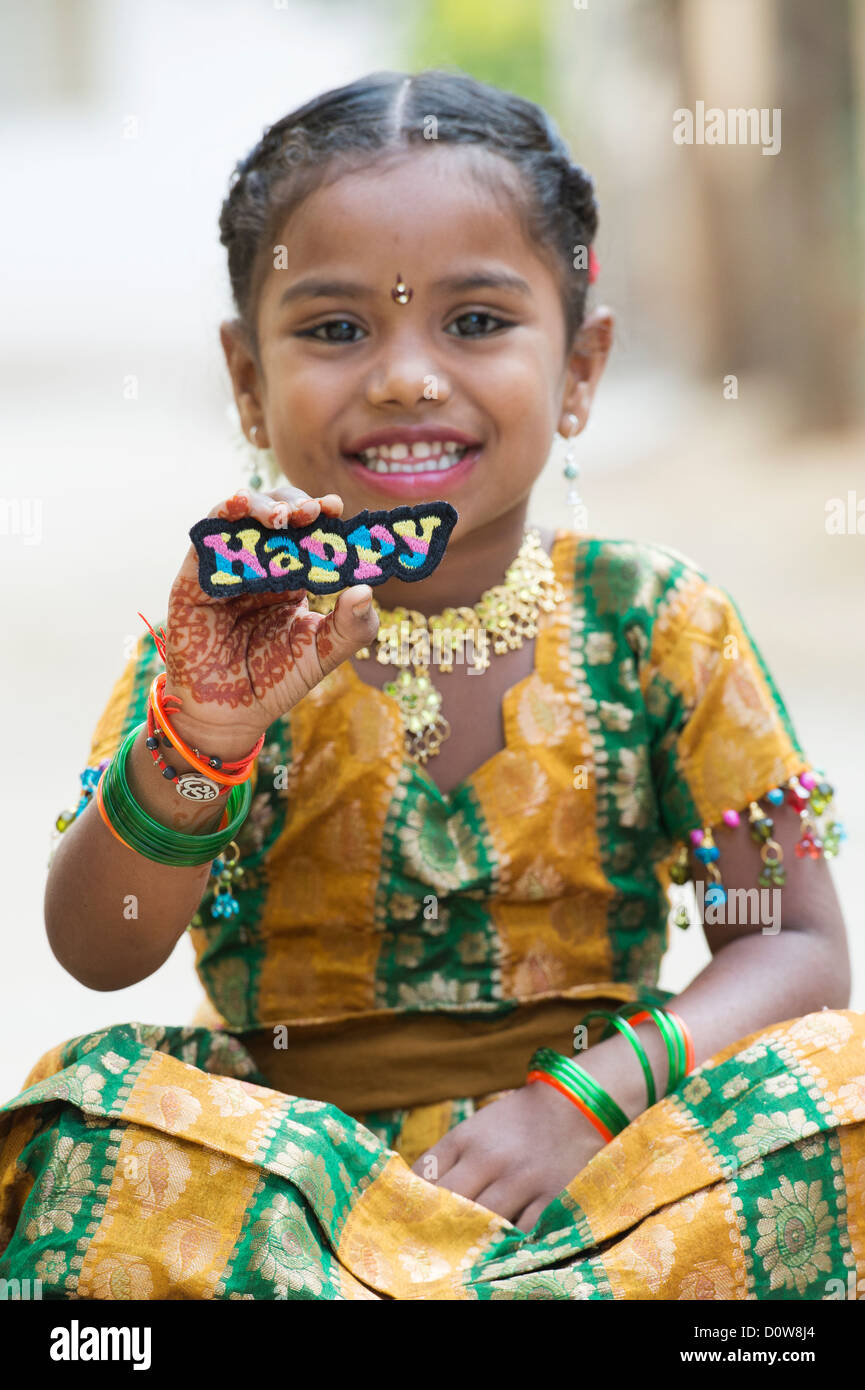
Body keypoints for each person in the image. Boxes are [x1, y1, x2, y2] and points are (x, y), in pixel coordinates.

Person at [1, 69, 861, 1302]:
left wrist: (581, 1099)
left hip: (611, 1175)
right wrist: (204, 738)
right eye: (338, 329)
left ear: (581, 367)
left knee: (842, 1089)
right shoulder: (226, 636)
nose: (406, 376)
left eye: (474, 322)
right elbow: (103, 949)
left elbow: (786, 939)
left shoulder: (660, 622)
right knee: (93, 1126)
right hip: (295, 1195)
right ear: (248, 377)